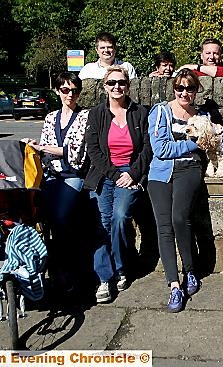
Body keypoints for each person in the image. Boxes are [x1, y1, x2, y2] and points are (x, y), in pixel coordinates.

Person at [84, 65, 152, 303]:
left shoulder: (139, 113)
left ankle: (121, 267)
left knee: (120, 217)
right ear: (105, 86)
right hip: (104, 174)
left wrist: (133, 174)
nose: (117, 87)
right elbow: (93, 149)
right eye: (111, 83)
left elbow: (146, 147)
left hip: (130, 174)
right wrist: (114, 175)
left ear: (128, 86)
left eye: (121, 82)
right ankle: (104, 277)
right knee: (101, 223)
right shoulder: (97, 114)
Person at [147, 68, 207, 312]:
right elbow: (160, 149)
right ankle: (174, 285)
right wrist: (191, 144)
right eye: (180, 88)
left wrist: (191, 146)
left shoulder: (201, 115)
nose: (185, 92)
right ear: (173, 88)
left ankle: (190, 270)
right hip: (160, 173)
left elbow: (208, 143)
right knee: (164, 227)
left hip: (189, 170)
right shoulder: (160, 111)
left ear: (196, 91)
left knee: (180, 218)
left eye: (190, 88)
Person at [25, 72, 89, 294]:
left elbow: (75, 151)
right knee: (42, 219)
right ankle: (50, 269)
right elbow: (45, 146)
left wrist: (45, 149)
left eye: (74, 90)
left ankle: (66, 272)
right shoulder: (50, 117)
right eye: (65, 90)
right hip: (51, 175)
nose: (69, 95)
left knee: (61, 218)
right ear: (58, 91)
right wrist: (37, 147)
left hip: (73, 175)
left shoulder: (85, 116)